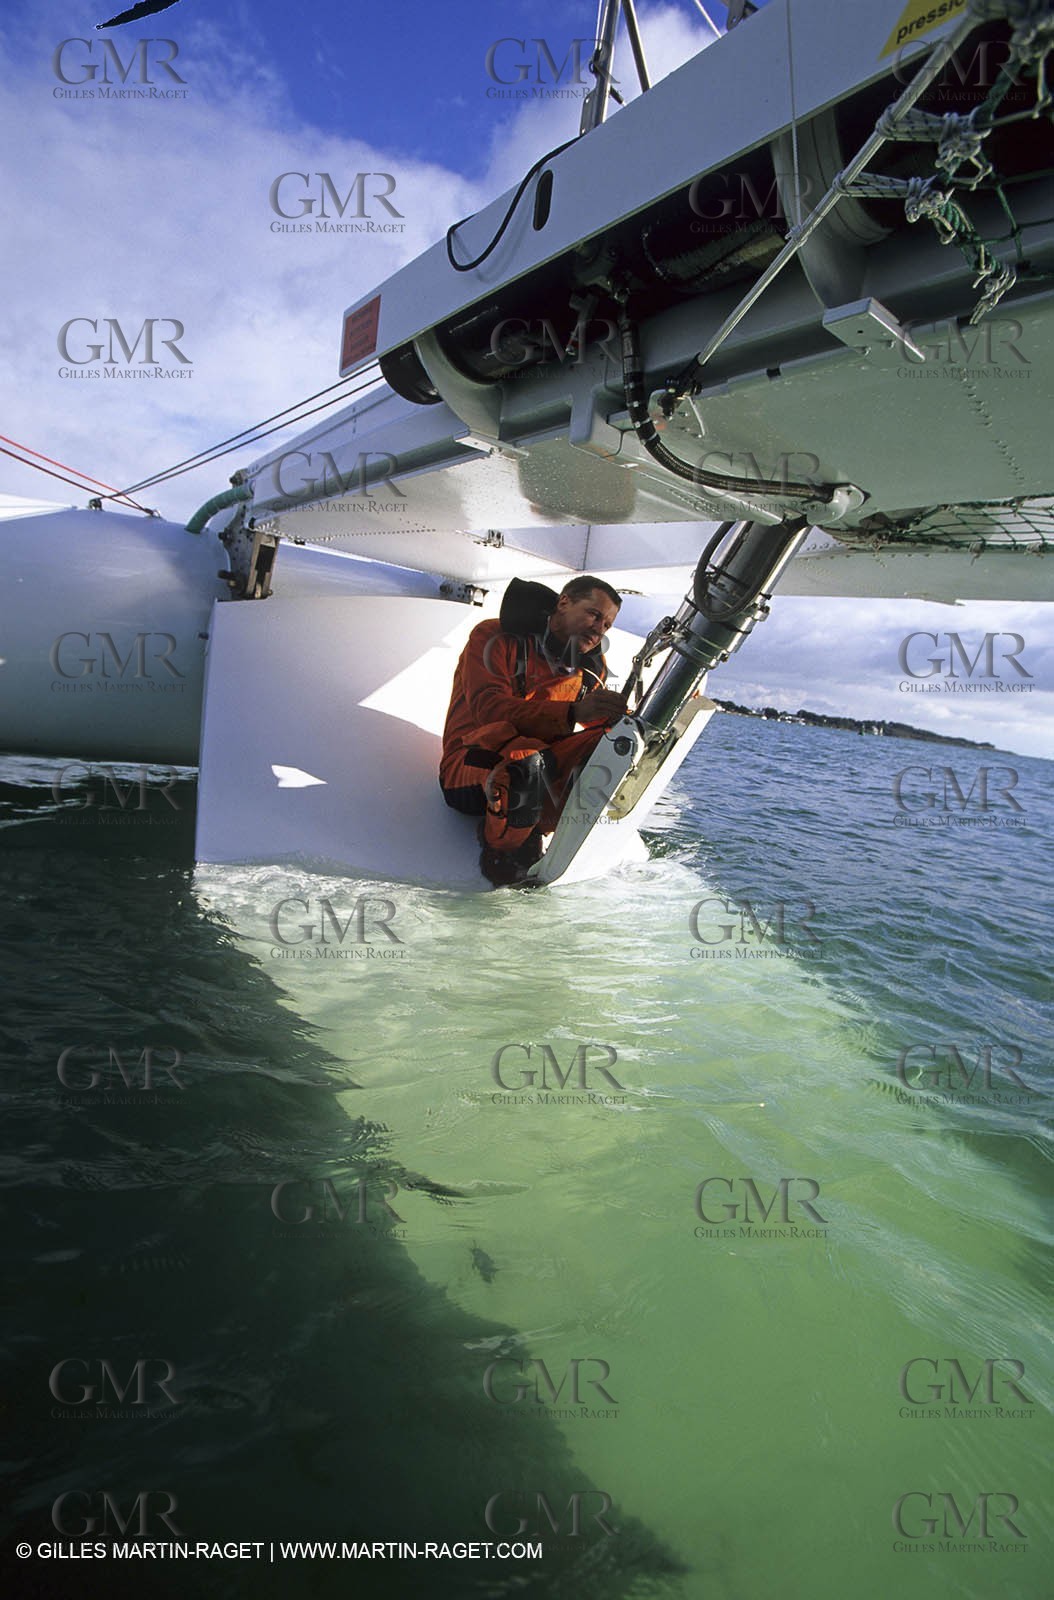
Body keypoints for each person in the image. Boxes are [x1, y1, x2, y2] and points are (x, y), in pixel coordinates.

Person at [440, 575, 627, 885]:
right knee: (527, 760)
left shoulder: (591, 667)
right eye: (594, 615)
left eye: (607, 625)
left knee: (610, 746)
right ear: (564, 602)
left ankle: (539, 825)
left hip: (539, 767)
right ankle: (505, 851)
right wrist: (572, 712)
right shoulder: (494, 637)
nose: (599, 630)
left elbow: (599, 721)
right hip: (472, 764)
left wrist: (631, 723)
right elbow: (489, 710)